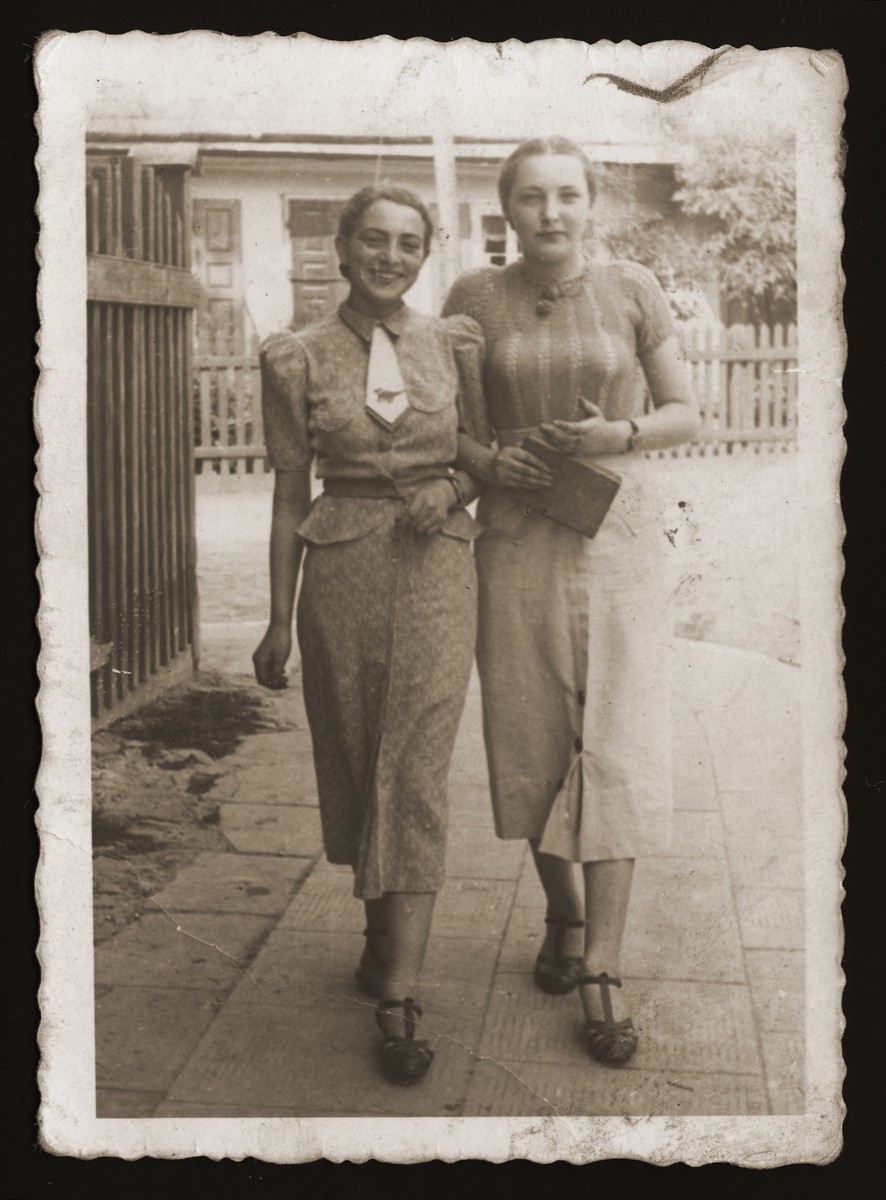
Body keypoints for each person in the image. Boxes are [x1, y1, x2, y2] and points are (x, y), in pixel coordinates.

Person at [444, 137, 700, 1065]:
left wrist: (618, 431)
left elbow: (685, 411)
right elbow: (450, 425)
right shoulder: (473, 298)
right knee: (532, 735)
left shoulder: (632, 286)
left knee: (618, 738)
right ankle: (562, 913)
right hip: (514, 541)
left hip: (619, 538)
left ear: (592, 204)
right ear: (506, 209)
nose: (550, 213)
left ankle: (604, 963)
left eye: (567, 196)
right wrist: (486, 459)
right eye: (530, 198)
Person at [253, 184, 487, 1085]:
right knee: (357, 752)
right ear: (343, 248)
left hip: (437, 567)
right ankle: (377, 930)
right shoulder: (295, 356)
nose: (392, 256)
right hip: (340, 569)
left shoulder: (454, 343)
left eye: (409, 243)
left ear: (426, 253)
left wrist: (456, 490)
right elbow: (285, 495)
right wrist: (279, 618)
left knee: (416, 762)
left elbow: (487, 456)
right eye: (375, 240)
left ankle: (400, 988)